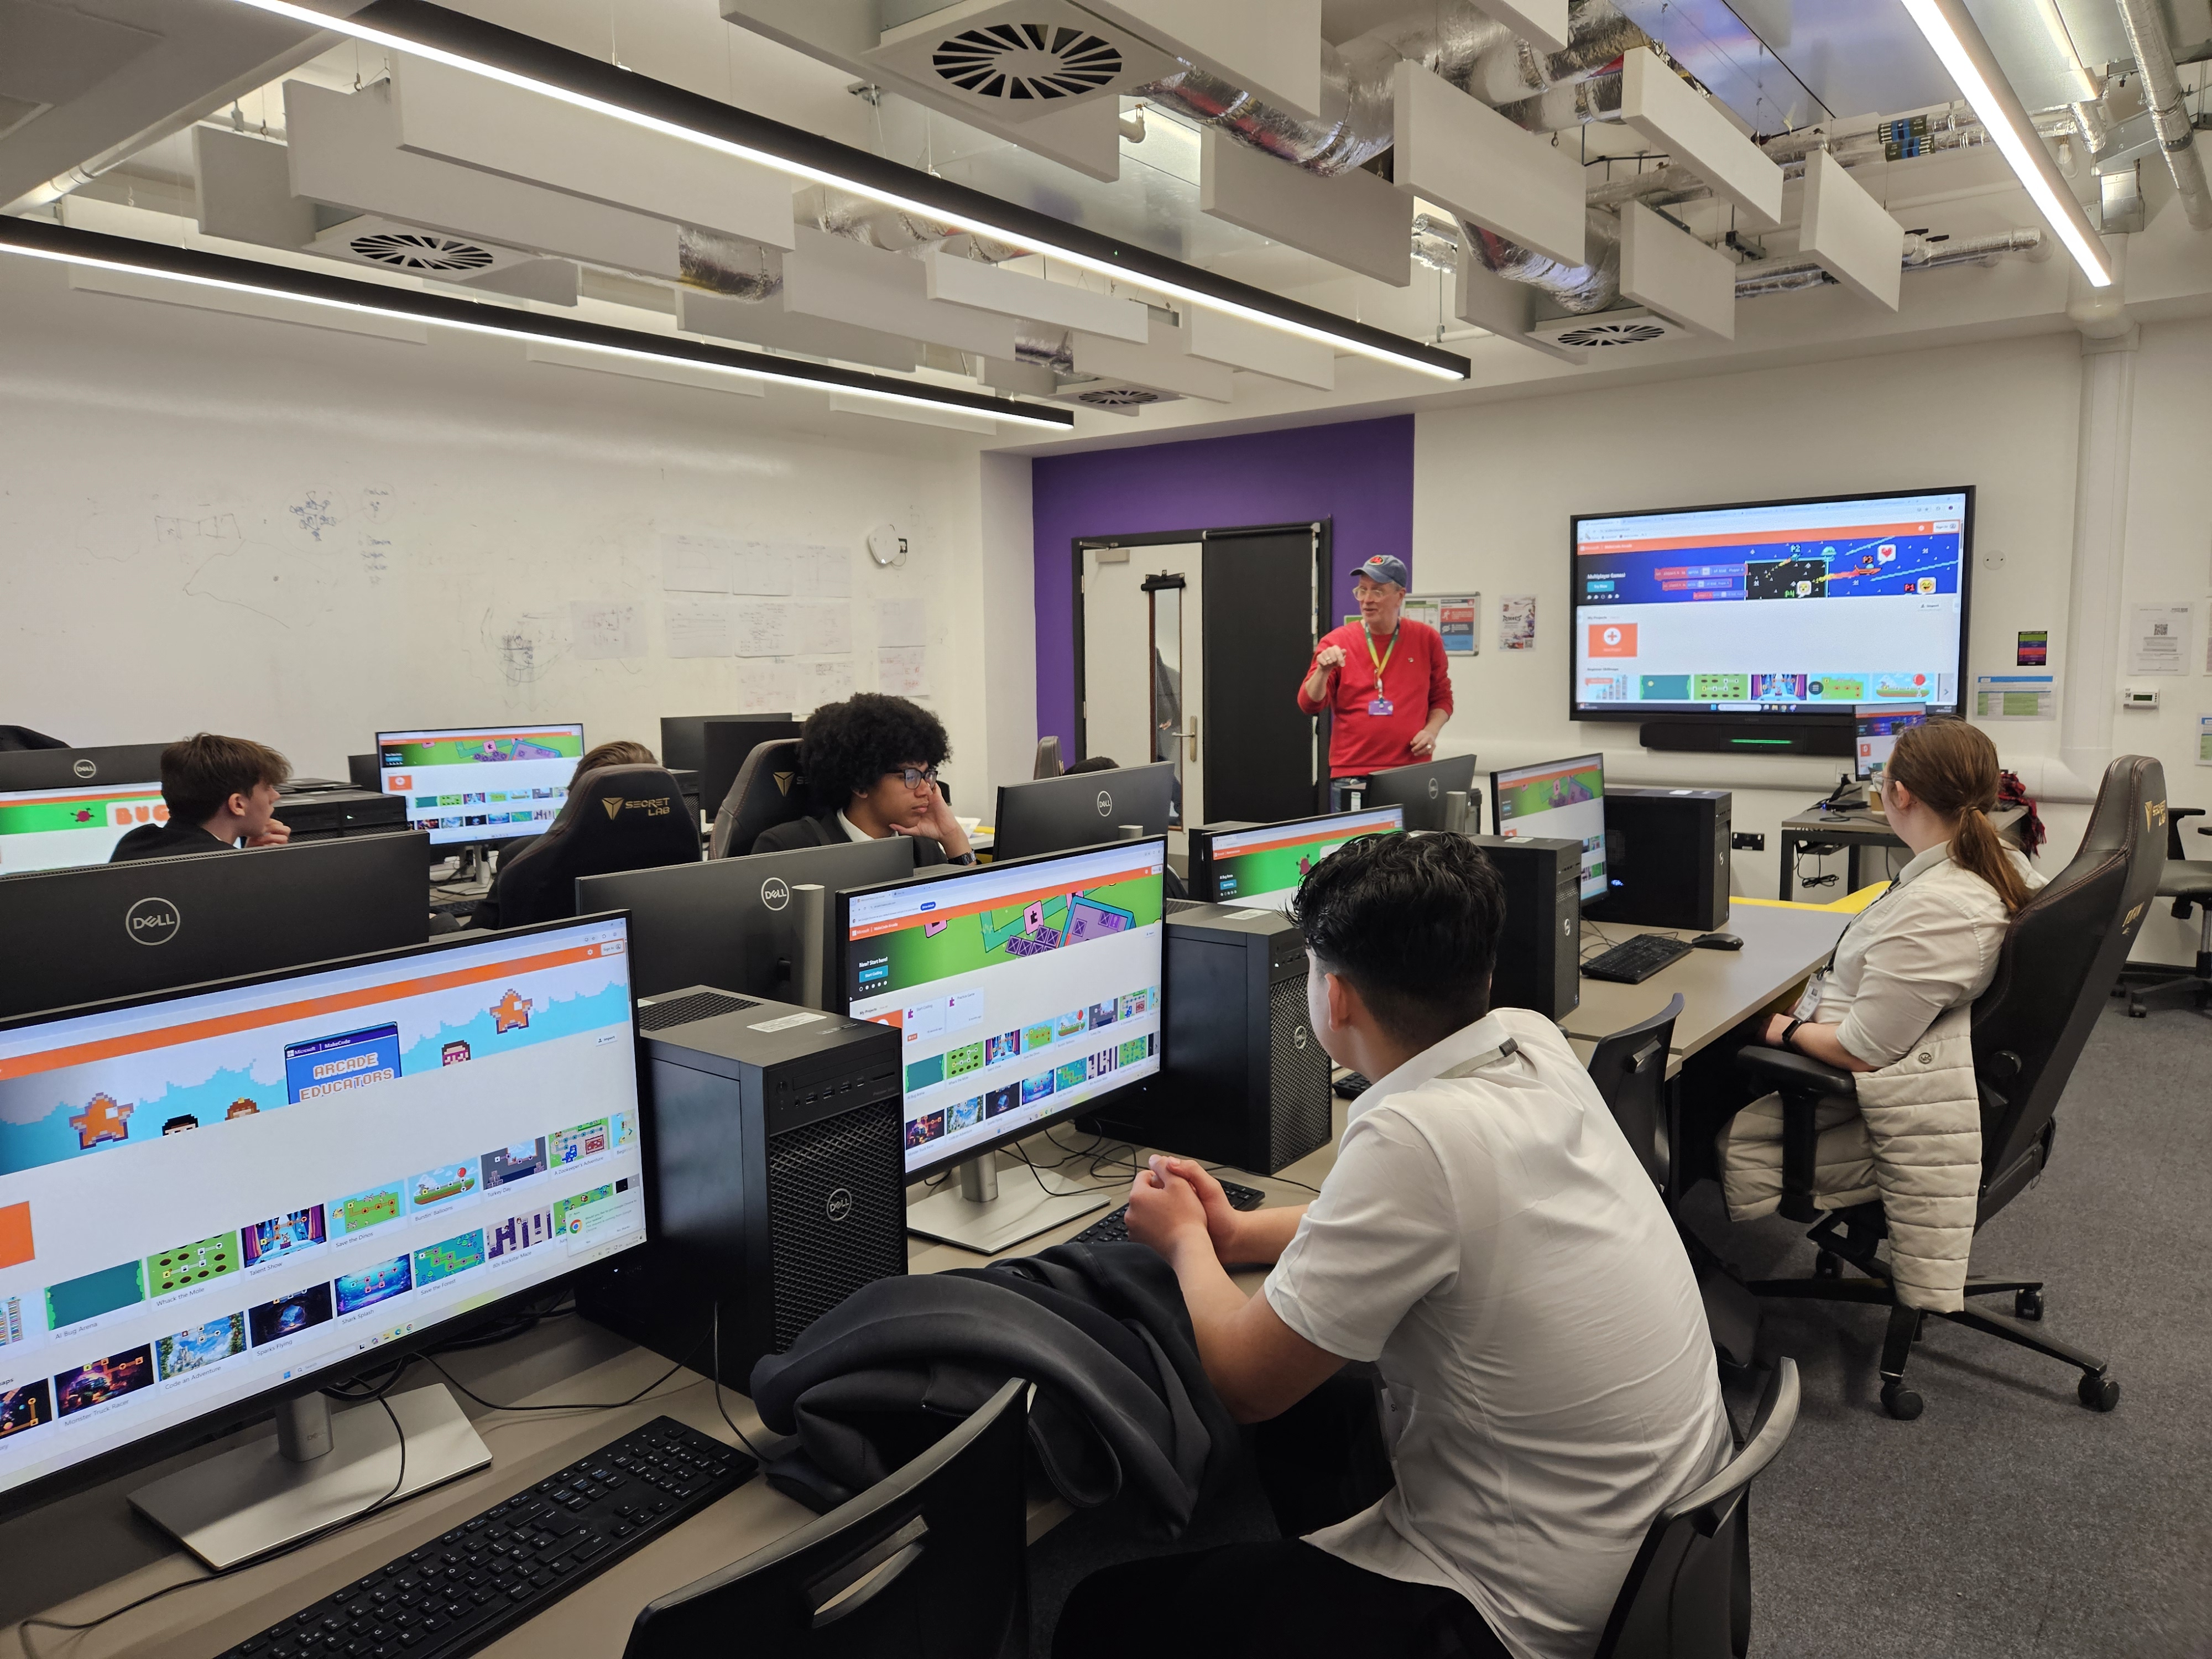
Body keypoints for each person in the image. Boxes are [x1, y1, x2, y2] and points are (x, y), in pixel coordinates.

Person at [1055, 832, 1730, 1659]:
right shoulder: (1530, 1043)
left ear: (1334, 998)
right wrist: (1238, 1231)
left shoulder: (1418, 1139)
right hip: (1651, 1552)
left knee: (1100, 1611)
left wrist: (1188, 1241)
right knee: (1331, 1411)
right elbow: (1428, 1227)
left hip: (1521, 1605)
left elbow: (1246, 1384)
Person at [1718, 719, 2046, 1300]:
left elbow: (1858, 1052)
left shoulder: (1940, 909)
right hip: (1938, 1076)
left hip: (1837, 1096)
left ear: (1897, 794)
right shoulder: (1999, 865)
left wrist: (1774, 1027)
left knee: (1694, 1056)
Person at [750, 693, 975, 865]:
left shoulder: (922, 847)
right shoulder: (789, 848)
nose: (926, 790)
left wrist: (952, 836)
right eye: (910, 776)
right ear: (861, 782)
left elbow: (972, 916)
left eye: (927, 775)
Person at [1297, 554, 1453, 801]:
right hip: (1354, 774)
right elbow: (1309, 703)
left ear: (1400, 596)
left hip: (1412, 771)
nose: (1367, 600)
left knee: (1413, 841)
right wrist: (1323, 670)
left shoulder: (1427, 639)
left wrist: (1431, 731)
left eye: (1378, 592)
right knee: (1361, 842)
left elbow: (1442, 699)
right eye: (1362, 591)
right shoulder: (1336, 642)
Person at [466, 738, 661, 930]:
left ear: (574, 797)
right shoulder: (687, 855)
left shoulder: (524, 857)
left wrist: (440, 921)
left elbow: (475, 939)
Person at [109, 733, 291, 862]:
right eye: (267, 787)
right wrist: (253, 868)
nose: (275, 796)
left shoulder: (136, 842)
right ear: (238, 804)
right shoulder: (225, 869)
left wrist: (243, 860)